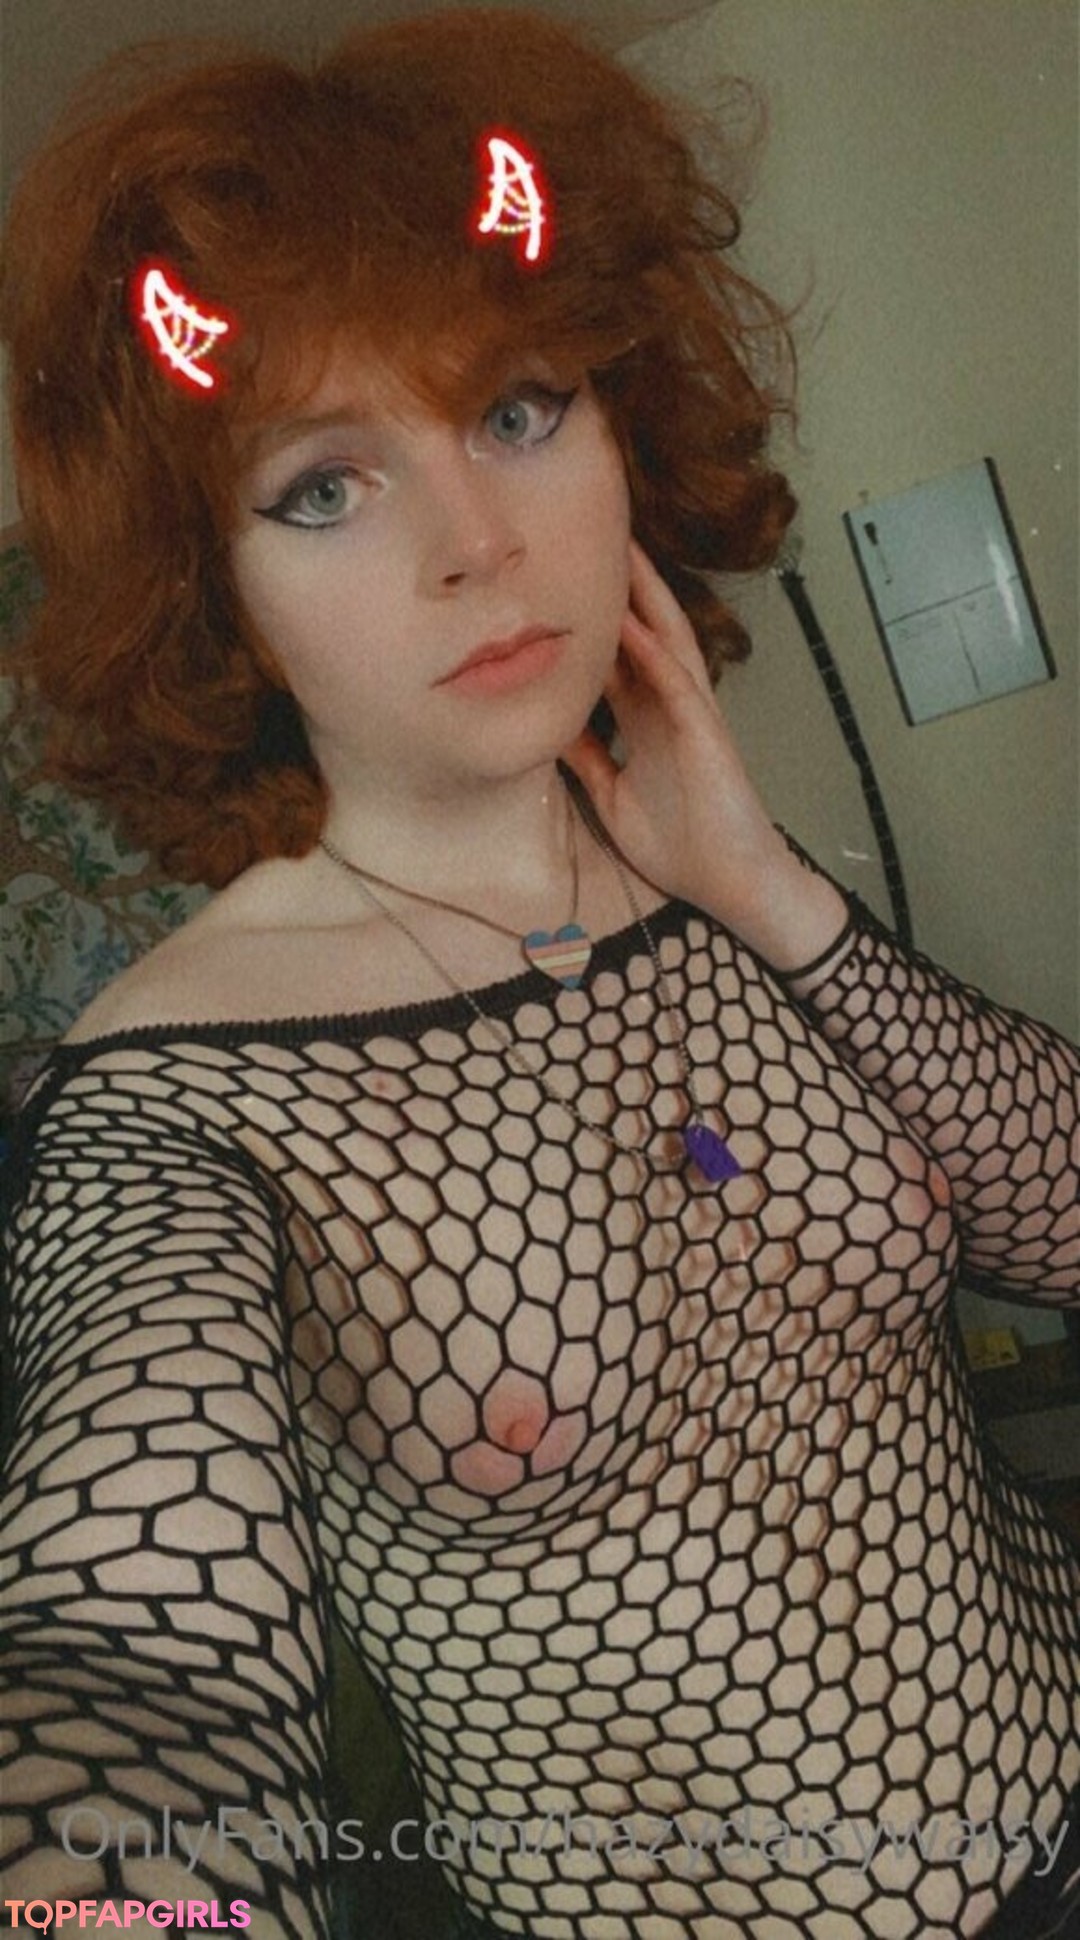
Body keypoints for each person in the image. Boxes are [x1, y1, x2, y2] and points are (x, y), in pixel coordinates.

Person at [1, 9, 1077, 1938]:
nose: (477, 544)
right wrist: (103, 1887)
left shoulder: (722, 886)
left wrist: (767, 891)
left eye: (514, 410)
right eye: (321, 487)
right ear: (208, 585)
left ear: (619, 419)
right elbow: (141, 1640)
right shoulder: (174, 1093)